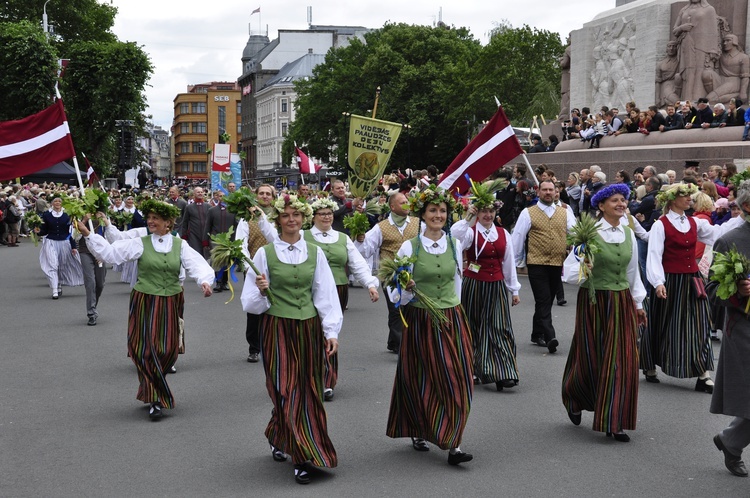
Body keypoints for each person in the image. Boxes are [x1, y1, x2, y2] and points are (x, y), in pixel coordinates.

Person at [76, 200, 214, 420]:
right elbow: (112, 254)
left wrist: (204, 281)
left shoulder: (180, 245)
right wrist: (88, 235)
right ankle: (156, 399)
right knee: (145, 350)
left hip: (171, 300)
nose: (150, 221)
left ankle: (150, 389)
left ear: (168, 223)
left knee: (168, 350)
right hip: (146, 300)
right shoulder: (141, 243)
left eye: (155, 218)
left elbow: (197, 264)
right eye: (149, 218)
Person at [240, 194, 342, 485]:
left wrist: (331, 331)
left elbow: (325, 295)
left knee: (308, 391)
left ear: (303, 219)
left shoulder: (315, 252)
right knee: (285, 389)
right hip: (277, 328)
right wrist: (262, 290)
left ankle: (291, 445)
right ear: (278, 220)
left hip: (308, 329)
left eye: (296, 215)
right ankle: (297, 452)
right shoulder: (264, 254)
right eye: (285, 216)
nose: (292, 220)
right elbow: (249, 303)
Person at [386, 186, 473, 465]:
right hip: (420, 319)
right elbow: (394, 289)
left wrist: (456, 312)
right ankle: (419, 428)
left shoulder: (454, 245)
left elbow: (457, 282)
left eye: (442, 211)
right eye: (433, 210)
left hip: (450, 317)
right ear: (422, 215)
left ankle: (454, 444)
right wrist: (407, 287)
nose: (438, 215)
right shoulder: (408, 246)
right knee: (420, 377)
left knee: (456, 377)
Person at [562, 184, 647, 443]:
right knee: (591, 357)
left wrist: (639, 303)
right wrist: (584, 268)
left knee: (620, 360)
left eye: (623, 200)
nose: (621, 204)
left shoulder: (628, 232)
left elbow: (633, 272)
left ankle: (614, 420)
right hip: (594, 301)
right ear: (601, 206)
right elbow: (568, 272)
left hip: (621, 300)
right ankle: (575, 396)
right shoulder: (589, 234)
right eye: (614, 201)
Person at [640, 183, 718, 390]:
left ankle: (703, 374)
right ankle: (650, 365)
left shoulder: (694, 222)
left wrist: (741, 221)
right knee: (663, 323)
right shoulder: (661, 224)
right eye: (684, 196)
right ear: (673, 199)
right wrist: (658, 282)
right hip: (670, 280)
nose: (689, 199)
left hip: (692, 280)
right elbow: (654, 254)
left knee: (699, 324)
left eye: (690, 196)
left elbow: (717, 234)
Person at [301, 198, 379, 400]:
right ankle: (308, 377)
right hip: (311, 290)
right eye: (322, 214)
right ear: (314, 217)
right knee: (311, 333)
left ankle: (327, 381)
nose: (326, 217)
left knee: (330, 332)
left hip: (338, 289)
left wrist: (370, 284)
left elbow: (357, 263)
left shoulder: (342, 238)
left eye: (329, 213)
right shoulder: (304, 236)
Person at [451, 184, 521, 392]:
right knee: (472, 326)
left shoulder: (503, 234)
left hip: (497, 284)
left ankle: (504, 372)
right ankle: (472, 367)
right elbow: (454, 237)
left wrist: (514, 290)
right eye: (484, 211)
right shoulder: (470, 232)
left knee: (499, 326)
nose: (488, 215)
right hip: (473, 284)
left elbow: (509, 262)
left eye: (491, 211)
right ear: (478, 213)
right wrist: (467, 218)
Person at [707, 180, 750, 478]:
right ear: (747, 207)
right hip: (745, 329)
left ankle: (731, 440)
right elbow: (712, 290)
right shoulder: (730, 239)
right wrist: (740, 291)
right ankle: (732, 442)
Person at [511, 180, 575, 353]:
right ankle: (550, 336)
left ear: (556, 192)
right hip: (536, 262)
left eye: (551, 190)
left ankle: (536, 333)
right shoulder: (528, 212)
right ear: (538, 191)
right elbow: (517, 238)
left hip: (556, 263)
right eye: (544, 189)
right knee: (543, 299)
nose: (548, 192)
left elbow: (576, 233)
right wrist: (513, 263)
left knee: (547, 299)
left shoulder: (565, 212)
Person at [355, 192, 421, 353]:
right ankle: (399, 344)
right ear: (392, 207)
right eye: (402, 202)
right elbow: (364, 250)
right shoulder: (381, 227)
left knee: (411, 307)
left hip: (414, 272)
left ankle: (394, 341)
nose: (406, 204)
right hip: (390, 274)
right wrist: (360, 239)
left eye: (407, 201)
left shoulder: (418, 223)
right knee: (395, 308)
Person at [37, 194, 84, 299]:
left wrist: (73, 247)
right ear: (52, 203)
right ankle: (54, 289)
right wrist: (38, 231)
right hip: (51, 241)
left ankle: (59, 284)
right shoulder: (47, 215)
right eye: (55, 201)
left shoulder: (68, 215)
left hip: (64, 242)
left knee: (62, 265)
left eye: (59, 201)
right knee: (53, 265)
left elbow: (70, 233)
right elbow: (44, 230)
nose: (57, 203)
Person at [203, 191, 237, 292]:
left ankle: (225, 282)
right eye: (220, 196)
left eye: (224, 196)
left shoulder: (232, 211)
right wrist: (205, 241)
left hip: (229, 240)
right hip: (215, 239)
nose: (222, 198)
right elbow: (207, 225)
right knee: (216, 262)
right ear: (217, 197)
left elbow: (236, 225)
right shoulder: (212, 210)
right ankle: (218, 283)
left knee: (227, 262)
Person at [77, 216, 107, 326]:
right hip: (85, 252)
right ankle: (91, 313)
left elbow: (107, 235)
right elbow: (75, 236)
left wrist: (103, 253)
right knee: (90, 282)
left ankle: (93, 304)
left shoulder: (102, 216)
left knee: (100, 284)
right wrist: (84, 221)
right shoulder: (78, 216)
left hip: (100, 252)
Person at [181, 187, 210, 258]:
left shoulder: (208, 206)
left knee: (207, 256)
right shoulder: (189, 207)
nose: (200, 193)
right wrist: (184, 235)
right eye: (198, 192)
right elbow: (185, 222)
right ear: (194, 194)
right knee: (195, 255)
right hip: (194, 235)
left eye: (201, 192)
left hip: (206, 234)